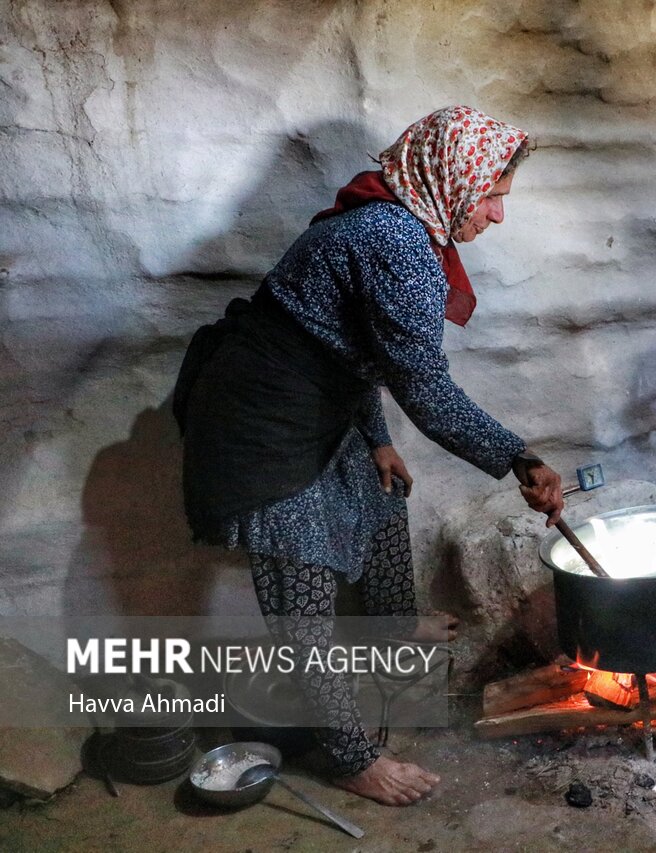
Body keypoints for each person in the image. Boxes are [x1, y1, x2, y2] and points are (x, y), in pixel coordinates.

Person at [173, 106, 565, 805]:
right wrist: (519, 457)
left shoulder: (395, 220)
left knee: (383, 487)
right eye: (495, 195)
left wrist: (378, 438)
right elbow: (425, 387)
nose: (499, 215)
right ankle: (353, 755)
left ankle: (385, 624)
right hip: (256, 423)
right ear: (455, 178)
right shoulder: (396, 240)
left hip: (319, 400)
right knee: (305, 601)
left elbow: (354, 349)